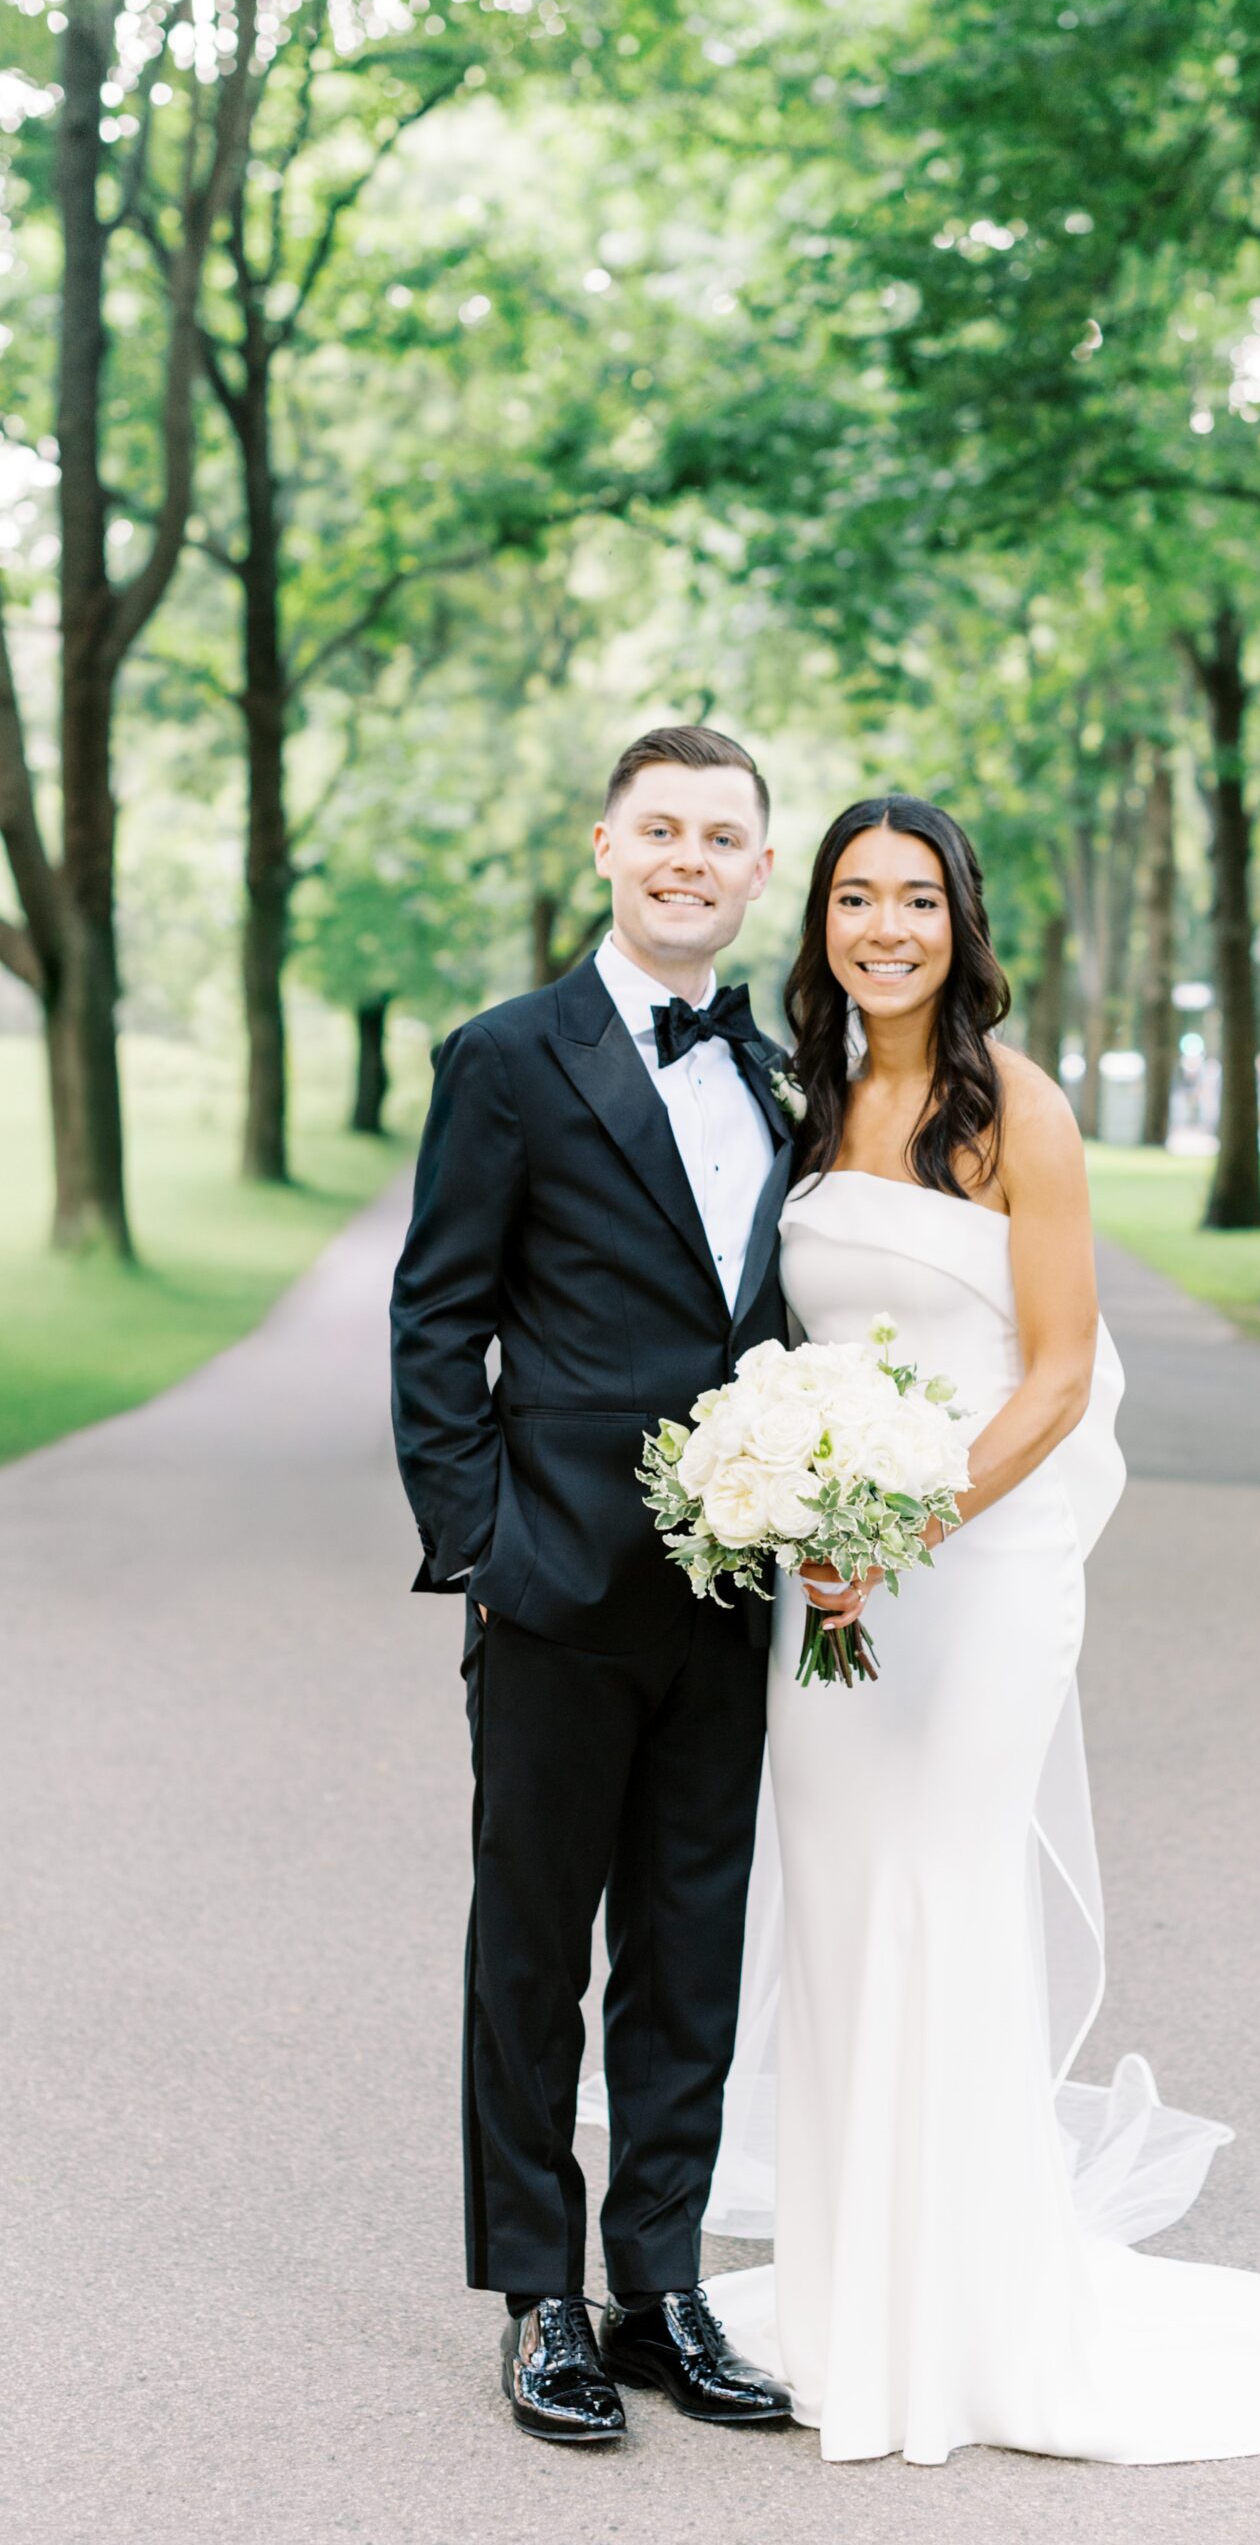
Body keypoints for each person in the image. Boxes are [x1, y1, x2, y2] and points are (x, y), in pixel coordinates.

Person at [695, 793, 1260, 2465]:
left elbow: (1056, 1375)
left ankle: (968, 2319)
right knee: (843, 1905)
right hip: (829, 1595)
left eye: (918, 899)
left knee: (945, 1889)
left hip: (974, 1580)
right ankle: (856, 2299)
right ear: (821, 924)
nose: (886, 928)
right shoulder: (820, 1101)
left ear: (962, 923)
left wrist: (902, 1525)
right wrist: (804, 1516)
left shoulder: (1019, 1113)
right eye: (856, 899)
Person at [389, 725, 799, 2444]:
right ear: (608, 849)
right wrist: (485, 1539)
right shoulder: (508, 1057)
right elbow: (437, 1318)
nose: (690, 858)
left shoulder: (789, 1075)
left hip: (737, 1584)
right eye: (662, 831)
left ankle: (664, 2287)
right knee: (533, 1947)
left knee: (691, 1951)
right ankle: (537, 2293)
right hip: (558, 1580)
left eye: (722, 835)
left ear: (758, 871)